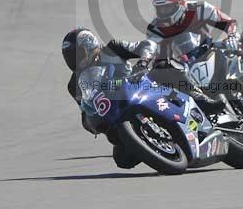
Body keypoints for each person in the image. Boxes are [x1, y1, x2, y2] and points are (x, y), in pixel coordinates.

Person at [60, 27, 222, 168]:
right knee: (122, 160)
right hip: (115, 111)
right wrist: (91, 123)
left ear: (90, 46)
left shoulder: (112, 48)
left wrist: (143, 62)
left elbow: (146, 46)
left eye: (78, 54)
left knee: (164, 65)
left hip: (140, 85)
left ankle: (200, 98)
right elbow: (85, 110)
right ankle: (155, 147)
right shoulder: (73, 84)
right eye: (70, 56)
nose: (75, 60)